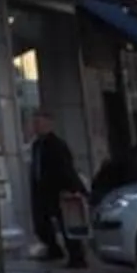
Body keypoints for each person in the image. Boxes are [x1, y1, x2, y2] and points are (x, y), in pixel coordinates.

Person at [28, 113, 88, 264]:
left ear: (48, 125)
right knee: (42, 223)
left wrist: (72, 188)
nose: (36, 127)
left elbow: (65, 168)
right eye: (35, 124)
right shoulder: (36, 145)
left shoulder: (57, 145)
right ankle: (53, 249)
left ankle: (76, 255)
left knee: (65, 222)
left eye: (39, 124)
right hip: (41, 189)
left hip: (57, 189)